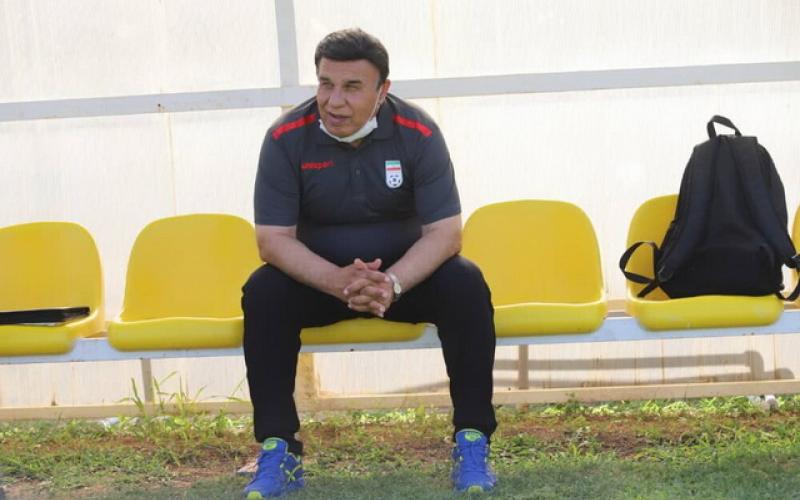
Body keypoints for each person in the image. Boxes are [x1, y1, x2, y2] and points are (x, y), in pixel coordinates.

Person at [241, 28, 497, 498]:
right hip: (321, 283)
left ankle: (472, 439)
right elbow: (272, 241)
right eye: (326, 84)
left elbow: (446, 234)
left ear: (383, 91)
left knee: (465, 283)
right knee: (263, 291)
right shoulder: (284, 137)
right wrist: (336, 280)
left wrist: (392, 282)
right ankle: (279, 449)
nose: (334, 101)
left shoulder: (419, 133)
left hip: (401, 282)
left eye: (352, 87)